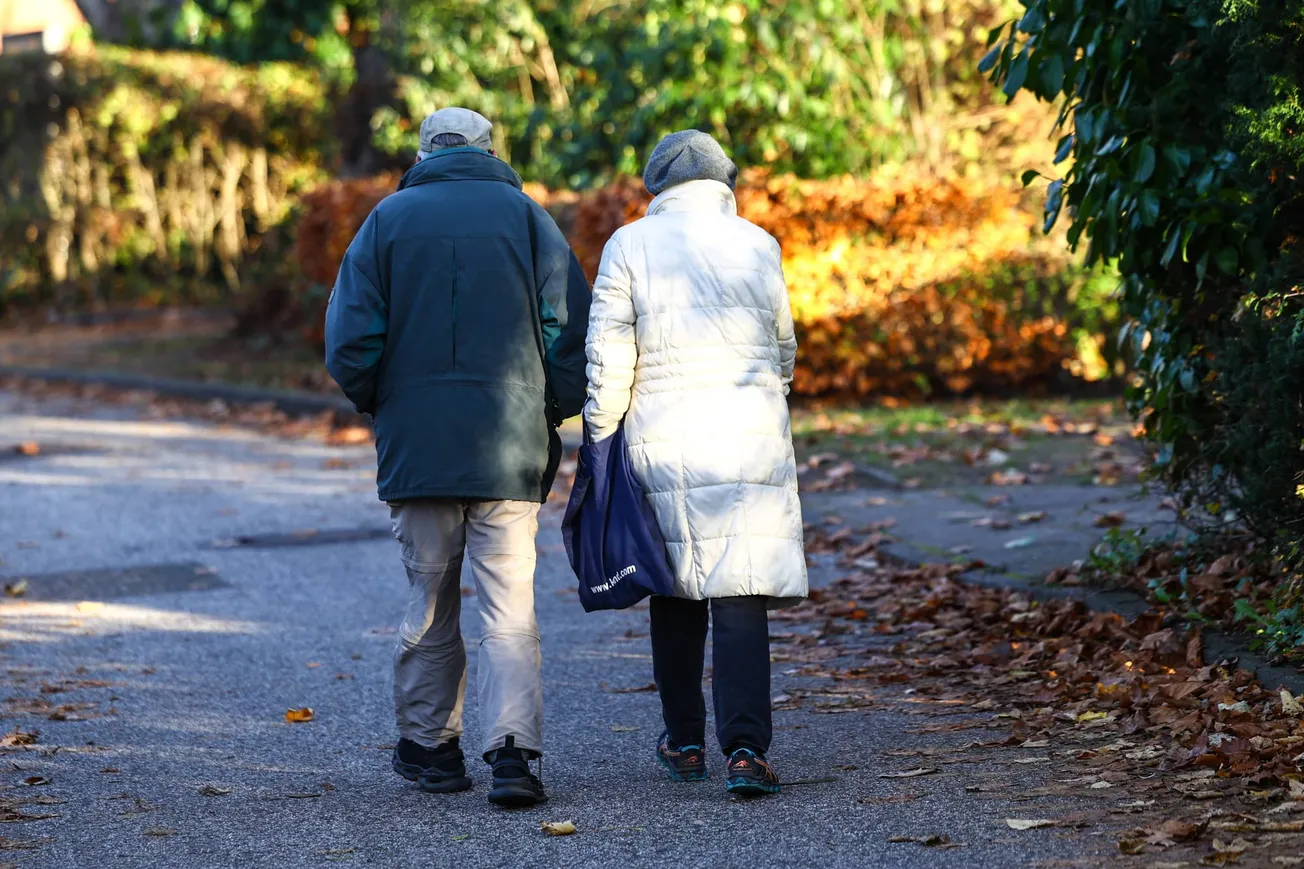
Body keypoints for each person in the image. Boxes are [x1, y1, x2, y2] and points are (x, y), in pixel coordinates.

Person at [324, 107, 590, 808]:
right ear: (488, 149)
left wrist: (389, 404)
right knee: (509, 606)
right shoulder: (529, 219)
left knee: (430, 597)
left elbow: (349, 343)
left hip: (419, 448)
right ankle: (513, 753)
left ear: (422, 152)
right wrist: (550, 409)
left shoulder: (384, 221)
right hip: (509, 444)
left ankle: (432, 748)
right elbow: (567, 333)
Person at [584, 130, 808, 796]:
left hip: (664, 433)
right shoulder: (757, 242)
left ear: (656, 185)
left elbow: (608, 355)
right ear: (723, 181)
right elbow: (784, 346)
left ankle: (683, 739)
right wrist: (770, 397)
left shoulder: (629, 244)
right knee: (740, 588)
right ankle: (746, 751)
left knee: (676, 585)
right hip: (749, 429)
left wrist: (602, 435)